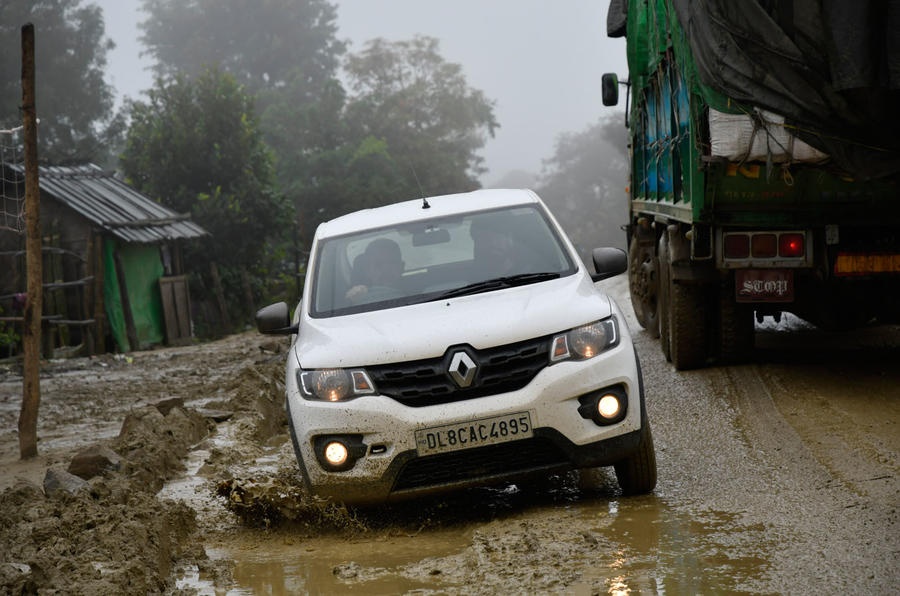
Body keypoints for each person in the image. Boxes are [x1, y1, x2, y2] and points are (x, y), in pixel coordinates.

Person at [345, 237, 405, 303]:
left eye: (392, 263)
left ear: (402, 267)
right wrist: (354, 299)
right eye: (378, 265)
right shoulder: (359, 295)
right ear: (367, 271)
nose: (386, 270)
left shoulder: (417, 292)